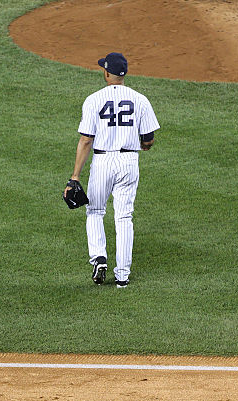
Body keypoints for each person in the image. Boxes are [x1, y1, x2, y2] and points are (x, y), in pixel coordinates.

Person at [65, 52, 159, 288]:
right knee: (124, 217)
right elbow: (148, 138)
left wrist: (75, 176)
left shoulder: (94, 100)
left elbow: (86, 140)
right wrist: (142, 145)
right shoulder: (140, 99)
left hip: (103, 163)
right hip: (129, 162)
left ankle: (99, 257)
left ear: (107, 73)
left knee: (95, 211)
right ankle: (123, 276)